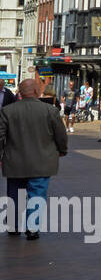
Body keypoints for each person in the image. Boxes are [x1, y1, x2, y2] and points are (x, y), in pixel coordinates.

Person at [0, 79, 69, 239]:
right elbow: (61, 135)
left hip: (15, 162)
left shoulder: (7, 111)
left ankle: (13, 225)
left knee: (14, 194)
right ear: (37, 92)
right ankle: (32, 228)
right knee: (37, 194)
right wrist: (62, 150)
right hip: (42, 161)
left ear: (19, 92)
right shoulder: (50, 111)